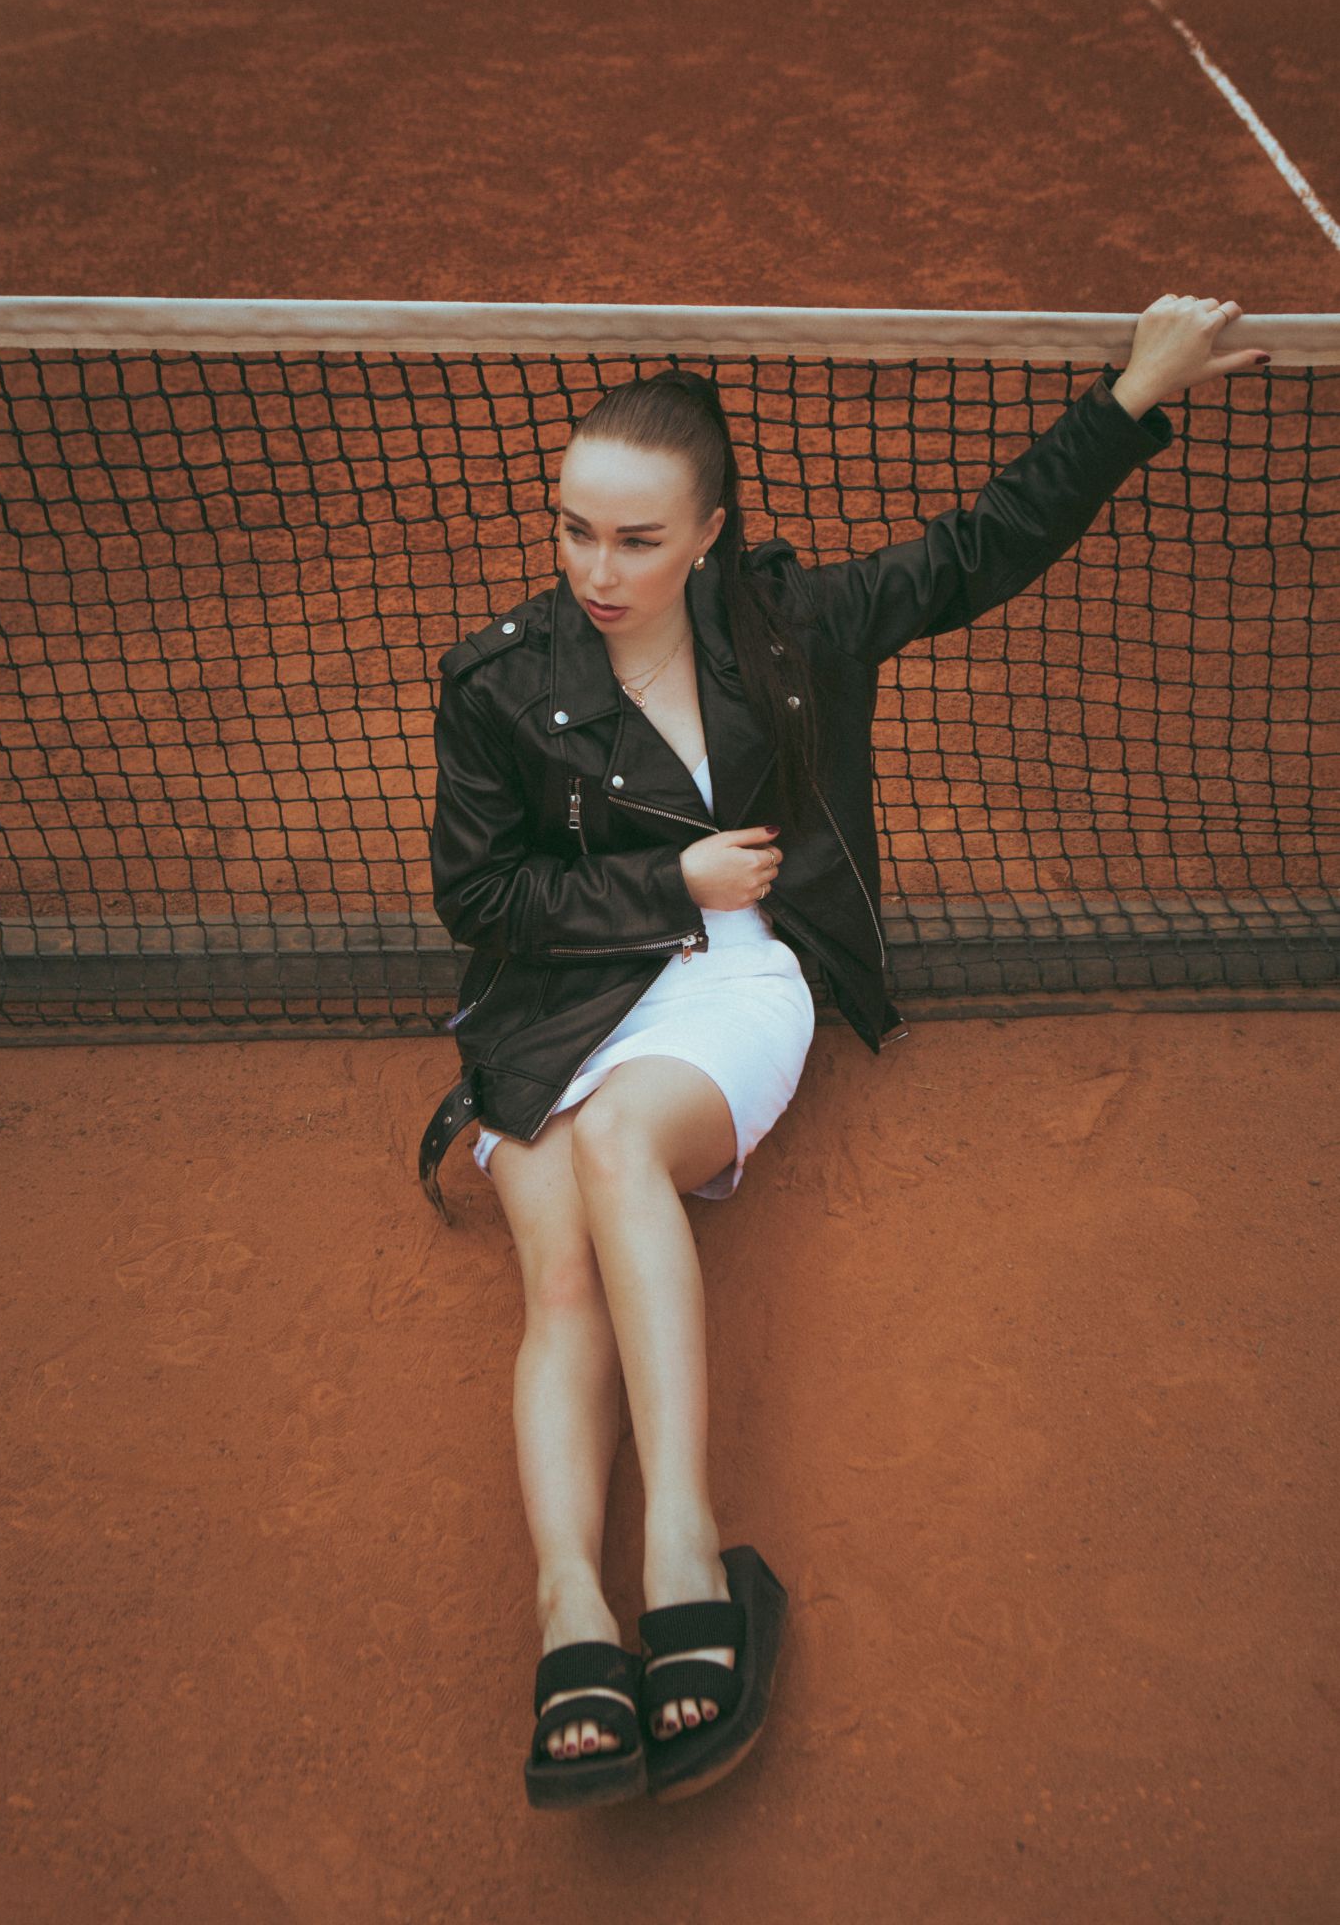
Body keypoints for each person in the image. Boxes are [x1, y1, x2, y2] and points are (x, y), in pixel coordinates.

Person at [422, 296, 1269, 1809]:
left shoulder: (789, 625)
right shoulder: (500, 681)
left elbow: (974, 553)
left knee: (619, 1145)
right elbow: (480, 901)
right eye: (574, 532)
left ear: (708, 534)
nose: (597, 571)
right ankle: (571, 1610)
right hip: (558, 995)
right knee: (557, 1276)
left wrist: (1133, 397)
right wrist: (666, 883)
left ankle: (681, 1550)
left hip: (741, 978)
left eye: (635, 540)